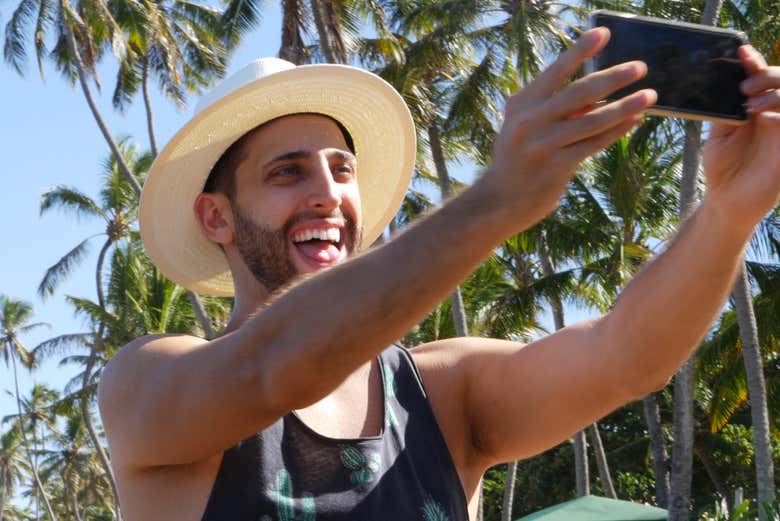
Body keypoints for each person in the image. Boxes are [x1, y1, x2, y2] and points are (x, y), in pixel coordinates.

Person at [97, 27, 780, 521]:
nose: (328, 194)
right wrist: (496, 201)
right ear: (216, 217)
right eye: (287, 172)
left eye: (342, 169)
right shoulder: (146, 384)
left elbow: (627, 355)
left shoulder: (443, 395)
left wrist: (729, 210)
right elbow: (275, 367)